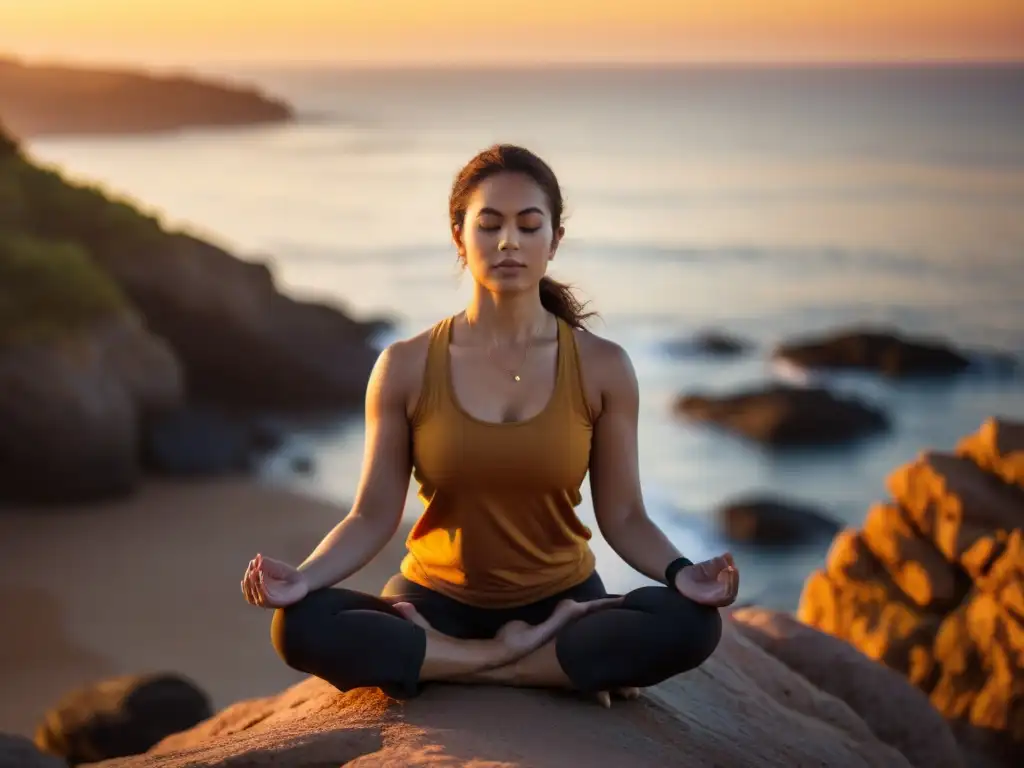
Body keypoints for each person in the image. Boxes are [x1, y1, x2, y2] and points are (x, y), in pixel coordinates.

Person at [241, 143, 740, 707]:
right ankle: (530, 663)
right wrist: (303, 579)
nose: (509, 243)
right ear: (460, 235)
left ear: (554, 242)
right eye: (490, 224)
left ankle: (445, 662)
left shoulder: (602, 366)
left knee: (694, 624)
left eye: (530, 227)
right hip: (431, 602)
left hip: (563, 600)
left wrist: (681, 573)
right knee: (299, 625)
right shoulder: (405, 365)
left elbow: (623, 515)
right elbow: (372, 513)